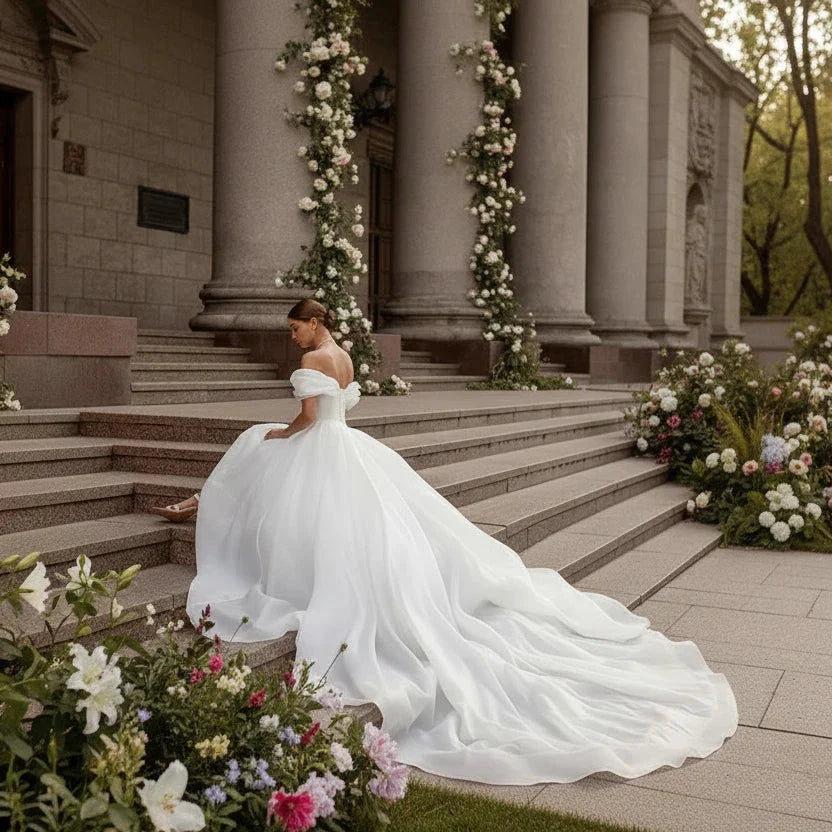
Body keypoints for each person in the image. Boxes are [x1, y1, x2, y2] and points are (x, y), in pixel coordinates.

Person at [184, 297, 738, 786]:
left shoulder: (311, 362)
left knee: (274, 467)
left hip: (323, 447)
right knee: (353, 529)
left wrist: (279, 433)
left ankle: (270, 562)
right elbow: (340, 407)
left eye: (294, 328)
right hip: (349, 446)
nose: (292, 337)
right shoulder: (344, 356)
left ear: (311, 324)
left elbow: (307, 418)